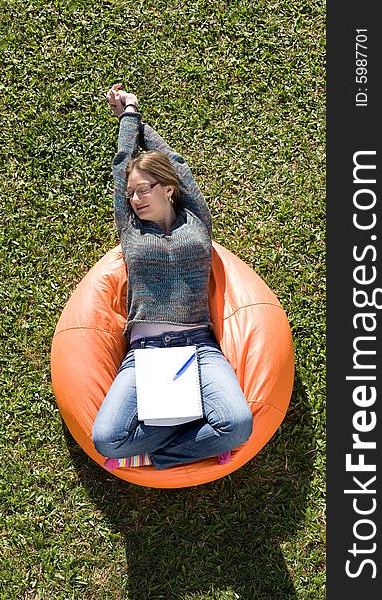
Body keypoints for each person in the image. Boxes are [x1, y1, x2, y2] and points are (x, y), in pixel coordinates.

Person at [92, 84, 252, 471]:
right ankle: (194, 428)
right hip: (144, 352)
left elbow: (176, 161)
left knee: (238, 424)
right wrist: (128, 117)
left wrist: (137, 115)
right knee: (105, 439)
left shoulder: (196, 223)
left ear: (168, 189)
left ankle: (154, 455)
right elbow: (121, 165)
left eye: (143, 189)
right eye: (130, 194)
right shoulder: (131, 229)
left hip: (198, 346)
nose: (135, 199)